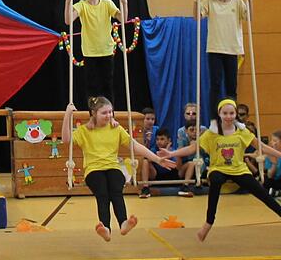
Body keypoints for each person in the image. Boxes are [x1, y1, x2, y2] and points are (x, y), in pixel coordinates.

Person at [158, 99, 281, 241]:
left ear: (235, 114)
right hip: (218, 169)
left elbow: (262, 147)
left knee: (263, 193)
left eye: (231, 113)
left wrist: (280, 155)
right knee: (215, 180)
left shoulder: (242, 131)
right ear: (219, 114)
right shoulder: (212, 133)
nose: (228, 117)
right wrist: (171, 154)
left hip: (239, 169)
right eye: (225, 113)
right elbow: (193, 148)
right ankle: (208, 223)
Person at [62, 97, 175, 242]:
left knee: (116, 190)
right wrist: (68, 114)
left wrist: (157, 159)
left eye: (111, 112)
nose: (109, 116)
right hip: (93, 170)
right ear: (94, 114)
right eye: (104, 113)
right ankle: (106, 229)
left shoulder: (116, 129)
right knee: (102, 193)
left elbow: (135, 146)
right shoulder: (84, 131)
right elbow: (66, 139)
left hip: (113, 167)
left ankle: (123, 223)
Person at [194, 0, 250, 121]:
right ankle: (214, 119)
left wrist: (250, 0)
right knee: (216, 85)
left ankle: (233, 118)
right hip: (215, 49)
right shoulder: (209, 1)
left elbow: (248, 17)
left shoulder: (237, 1)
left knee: (232, 86)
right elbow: (197, 17)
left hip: (233, 49)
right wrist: (196, 0)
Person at [65, 0, 127, 105]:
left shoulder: (107, 3)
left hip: (106, 50)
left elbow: (123, 19)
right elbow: (68, 20)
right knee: (92, 87)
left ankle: (110, 116)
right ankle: (93, 116)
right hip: (90, 52)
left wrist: (124, 2)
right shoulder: (81, 5)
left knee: (107, 86)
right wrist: (68, 1)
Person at [139, 129, 178, 198]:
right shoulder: (154, 149)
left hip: (170, 175)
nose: (159, 141)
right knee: (145, 161)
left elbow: (176, 165)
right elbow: (148, 158)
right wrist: (157, 157)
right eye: (157, 139)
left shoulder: (173, 150)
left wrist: (166, 153)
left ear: (169, 140)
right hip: (156, 175)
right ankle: (145, 187)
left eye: (162, 139)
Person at [176, 120, 206, 197]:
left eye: (197, 130)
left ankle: (199, 181)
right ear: (186, 131)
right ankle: (185, 186)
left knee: (199, 159)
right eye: (192, 130)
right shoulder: (182, 141)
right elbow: (178, 157)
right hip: (184, 168)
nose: (195, 132)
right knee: (192, 163)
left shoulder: (203, 141)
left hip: (200, 168)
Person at [263, 131, 281, 197]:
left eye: (275, 140)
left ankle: (277, 192)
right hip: (275, 181)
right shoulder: (270, 154)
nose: (272, 142)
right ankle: (276, 192)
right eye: (272, 140)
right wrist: (274, 163)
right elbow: (270, 175)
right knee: (266, 181)